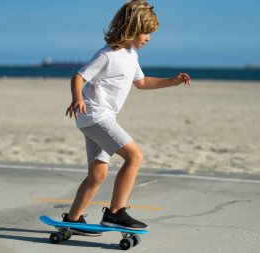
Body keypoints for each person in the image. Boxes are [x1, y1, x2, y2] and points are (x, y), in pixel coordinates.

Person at [64, 0, 191, 236]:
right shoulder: (108, 55)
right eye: (147, 32)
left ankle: (73, 219)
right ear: (132, 28)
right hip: (94, 115)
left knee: (98, 173)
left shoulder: (131, 56)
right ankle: (115, 213)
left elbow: (142, 83)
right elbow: (79, 76)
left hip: (97, 118)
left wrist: (172, 81)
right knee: (134, 156)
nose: (149, 38)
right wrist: (77, 98)